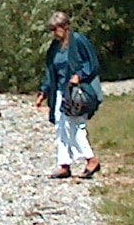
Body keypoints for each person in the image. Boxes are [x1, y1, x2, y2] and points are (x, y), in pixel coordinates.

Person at [34, 9, 101, 179]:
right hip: (59, 92)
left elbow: (92, 63)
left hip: (76, 93)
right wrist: (44, 91)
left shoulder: (78, 41)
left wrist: (80, 76)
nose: (53, 33)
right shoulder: (54, 49)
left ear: (65, 27)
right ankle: (64, 164)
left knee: (77, 126)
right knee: (61, 127)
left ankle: (91, 159)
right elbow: (51, 72)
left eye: (55, 29)